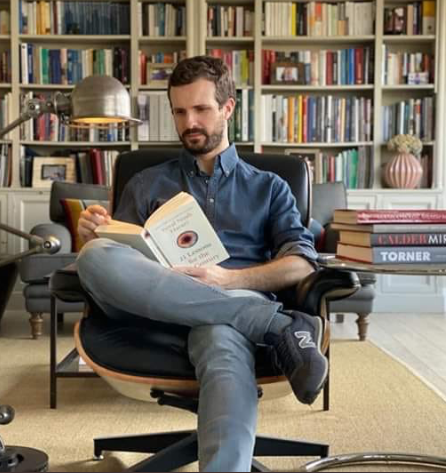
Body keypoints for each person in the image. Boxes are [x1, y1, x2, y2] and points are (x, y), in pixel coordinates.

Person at [76, 55, 329, 472]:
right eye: (180, 111)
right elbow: (117, 258)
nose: (189, 121)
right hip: (151, 308)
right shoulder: (146, 182)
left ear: (228, 108)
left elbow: (301, 265)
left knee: (221, 340)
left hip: (224, 317)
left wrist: (230, 279)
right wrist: (94, 233)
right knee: (93, 258)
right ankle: (275, 325)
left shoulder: (269, 187)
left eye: (201, 109)